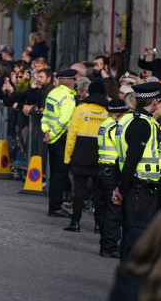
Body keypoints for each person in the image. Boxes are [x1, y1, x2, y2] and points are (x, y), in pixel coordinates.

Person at [113, 82, 161, 260]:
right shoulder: (143, 125)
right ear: (154, 102)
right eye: (160, 102)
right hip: (140, 190)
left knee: (131, 240)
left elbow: (120, 158)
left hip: (135, 188)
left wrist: (120, 186)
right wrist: (121, 188)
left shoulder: (129, 119)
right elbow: (132, 160)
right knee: (138, 241)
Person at [63, 78, 110, 233]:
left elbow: (71, 136)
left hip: (80, 155)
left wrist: (68, 157)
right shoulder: (108, 111)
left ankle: (75, 222)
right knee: (99, 193)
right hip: (100, 156)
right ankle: (98, 224)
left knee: (79, 191)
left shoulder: (81, 109)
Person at [42, 69, 78, 218]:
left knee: (55, 172)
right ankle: (55, 207)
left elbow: (45, 115)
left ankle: (54, 205)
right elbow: (64, 120)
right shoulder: (68, 97)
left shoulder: (52, 93)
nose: (75, 83)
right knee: (60, 174)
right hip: (61, 138)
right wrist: (54, 134)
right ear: (70, 82)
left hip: (51, 137)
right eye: (74, 80)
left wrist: (46, 131)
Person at [98, 94, 129, 258]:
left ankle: (105, 244)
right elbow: (121, 149)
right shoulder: (115, 128)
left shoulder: (105, 124)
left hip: (103, 169)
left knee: (105, 208)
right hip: (112, 170)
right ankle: (110, 247)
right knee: (114, 209)